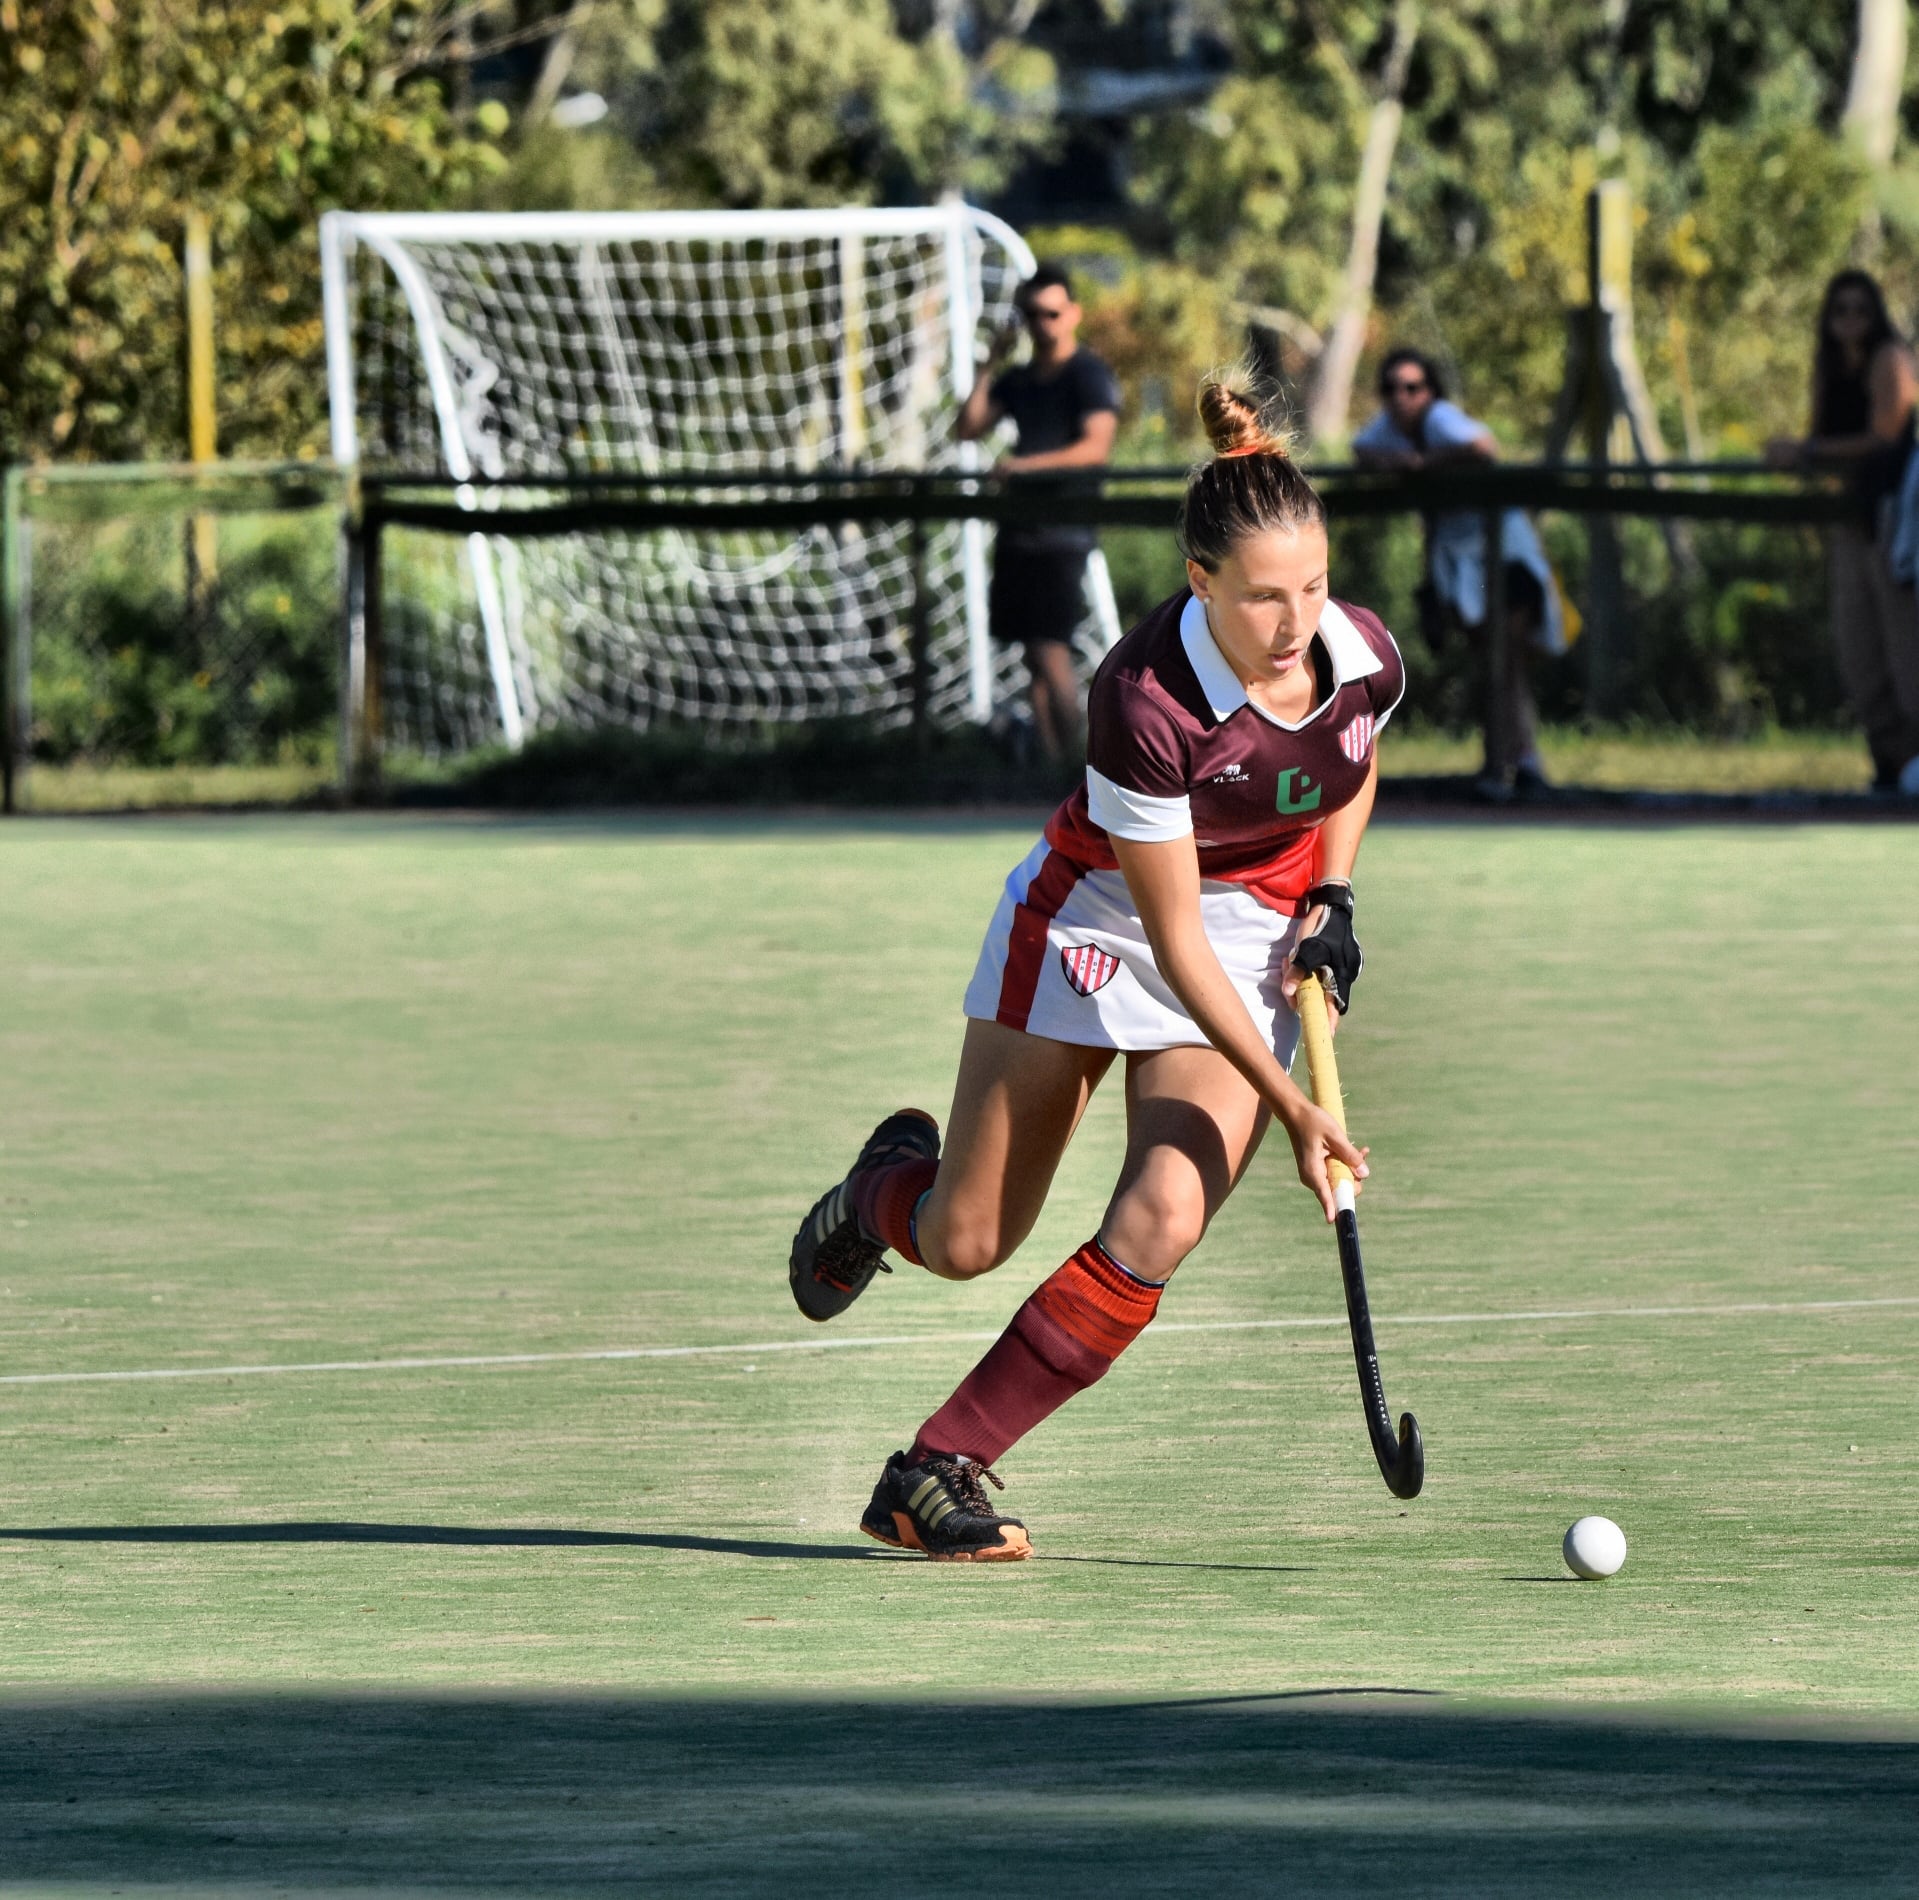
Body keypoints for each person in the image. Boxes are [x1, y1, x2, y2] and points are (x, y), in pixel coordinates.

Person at [788, 370, 1401, 1560]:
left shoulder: (1355, 652)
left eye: (1315, 587)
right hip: (1100, 918)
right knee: (965, 1240)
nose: (1294, 626)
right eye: (1265, 598)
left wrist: (1330, 893)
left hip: (1256, 923)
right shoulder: (1144, 699)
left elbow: (1351, 757)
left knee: (1163, 1211)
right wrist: (1291, 1106)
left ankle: (934, 1467)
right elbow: (1172, 941)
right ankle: (879, 1187)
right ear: (1199, 581)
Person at [1352, 348, 1565, 799]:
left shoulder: (1441, 420)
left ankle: (1517, 762)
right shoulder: (1391, 430)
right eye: (1391, 388)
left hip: (1501, 552)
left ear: (1429, 391)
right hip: (1457, 561)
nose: (1401, 397)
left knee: (1504, 658)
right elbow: (1361, 450)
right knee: (1492, 660)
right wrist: (1398, 464)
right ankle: (1511, 761)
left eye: (1412, 388)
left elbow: (1483, 446)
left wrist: (1425, 465)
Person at [957, 262, 1121, 763]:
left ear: (1072, 314)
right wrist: (991, 361)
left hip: (1063, 533)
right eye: (1031, 314)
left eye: (1051, 313)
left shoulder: (1089, 374)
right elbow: (967, 427)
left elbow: (1096, 447)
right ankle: (1052, 769)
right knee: (1032, 655)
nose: (1041, 323)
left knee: (1051, 650)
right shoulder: (1021, 378)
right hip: (1018, 532)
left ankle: (1080, 768)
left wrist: (1023, 466)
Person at [1767, 270, 1919, 797]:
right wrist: (1795, 455)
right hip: (1849, 523)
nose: (1850, 320)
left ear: (1876, 314)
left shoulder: (1890, 361)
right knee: (1858, 647)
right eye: (1840, 311)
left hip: (1895, 520)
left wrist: (1808, 452)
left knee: (1906, 646)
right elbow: (1819, 438)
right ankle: (1891, 761)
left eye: (1860, 310)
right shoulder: (1829, 368)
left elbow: (1885, 435)